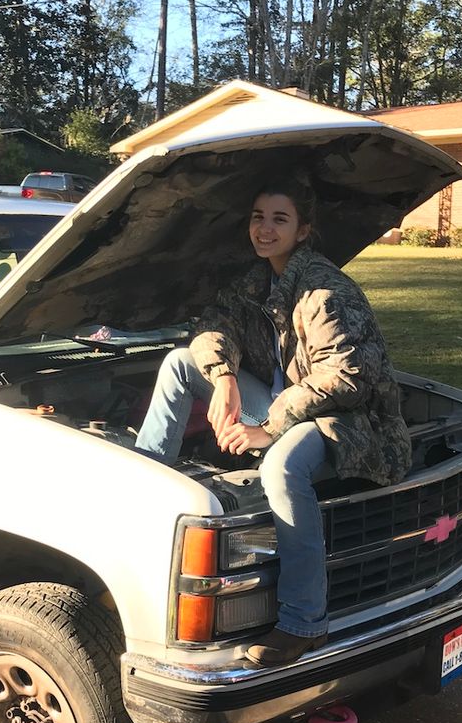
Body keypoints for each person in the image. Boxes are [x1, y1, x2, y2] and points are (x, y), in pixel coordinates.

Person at [134, 173, 412, 668]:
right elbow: (212, 325)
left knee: (281, 466)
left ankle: (303, 623)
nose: (264, 229)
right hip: (288, 403)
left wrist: (267, 428)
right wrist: (223, 376)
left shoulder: (325, 292)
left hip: (351, 423)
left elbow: (346, 377)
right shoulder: (257, 279)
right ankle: (143, 497)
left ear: (303, 230)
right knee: (180, 363)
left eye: (279, 219)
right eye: (258, 217)